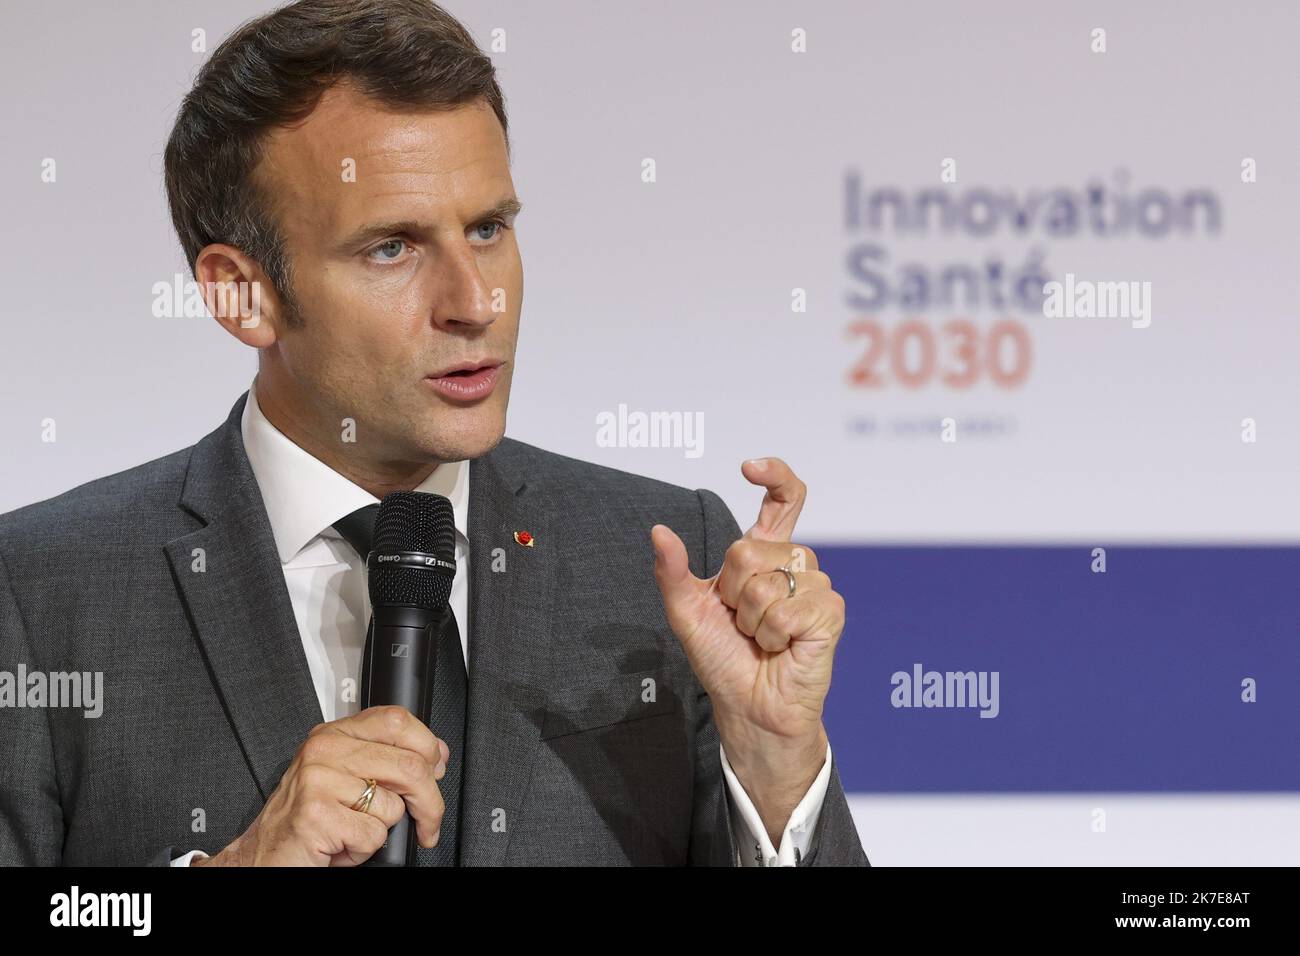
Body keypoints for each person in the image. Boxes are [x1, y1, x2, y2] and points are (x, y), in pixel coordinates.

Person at [0, 0, 868, 867]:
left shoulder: (669, 561)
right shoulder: (41, 595)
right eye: (392, 248)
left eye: (488, 228)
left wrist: (774, 767)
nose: (474, 302)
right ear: (241, 293)